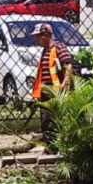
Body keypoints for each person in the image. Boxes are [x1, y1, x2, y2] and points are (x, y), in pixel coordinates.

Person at [30, 22, 74, 151]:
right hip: (45, 91)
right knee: (45, 120)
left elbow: (68, 65)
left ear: (46, 35)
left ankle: (55, 146)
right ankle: (49, 146)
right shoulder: (45, 50)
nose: (36, 39)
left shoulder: (59, 47)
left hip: (55, 91)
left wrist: (65, 82)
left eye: (38, 36)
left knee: (54, 120)